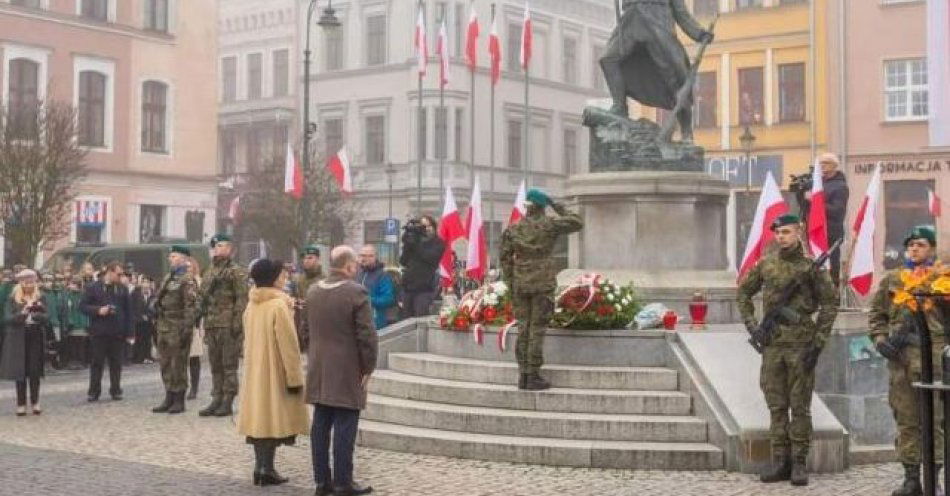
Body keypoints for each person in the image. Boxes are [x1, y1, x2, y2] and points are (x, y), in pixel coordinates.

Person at [737, 214, 839, 487]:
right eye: (778, 233)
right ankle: (780, 460)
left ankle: (799, 463)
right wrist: (751, 324)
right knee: (776, 405)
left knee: (800, 406)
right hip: (772, 345)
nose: (781, 237)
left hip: (801, 345)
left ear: (799, 233)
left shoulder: (812, 269)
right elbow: (743, 292)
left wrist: (818, 342)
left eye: (786, 232)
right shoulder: (766, 265)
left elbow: (830, 304)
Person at [871, 226, 944, 496]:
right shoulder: (893, 279)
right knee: (906, 420)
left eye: (921, 244)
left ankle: (933, 477)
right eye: (911, 245)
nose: (914, 249)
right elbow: (877, 314)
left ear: (932, 249)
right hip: (900, 363)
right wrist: (880, 340)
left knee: (935, 420)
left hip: (932, 360)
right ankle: (911, 478)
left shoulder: (942, 280)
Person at [307, 246, 378, 496]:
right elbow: (367, 335)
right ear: (348, 266)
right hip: (347, 367)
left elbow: (305, 330)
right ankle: (343, 482)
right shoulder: (355, 292)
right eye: (354, 264)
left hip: (318, 366)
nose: (357, 268)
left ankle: (321, 481)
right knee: (345, 426)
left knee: (320, 424)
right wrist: (368, 366)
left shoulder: (313, 290)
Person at [500, 189, 583, 391]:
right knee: (537, 329)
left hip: (521, 283)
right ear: (541, 207)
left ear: (527, 207)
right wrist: (556, 204)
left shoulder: (513, 229)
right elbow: (577, 221)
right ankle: (533, 375)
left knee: (523, 328)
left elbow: (505, 260)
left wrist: (512, 282)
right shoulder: (550, 225)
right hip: (542, 282)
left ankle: (523, 375)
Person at [237, 258, 308, 487]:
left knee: (260, 418)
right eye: (281, 274)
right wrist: (295, 377)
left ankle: (260, 467)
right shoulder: (278, 305)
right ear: (274, 277)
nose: (285, 278)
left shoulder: (252, 303)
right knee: (273, 419)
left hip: (255, 369)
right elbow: (288, 345)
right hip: (275, 370)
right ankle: (267, 469)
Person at [599, 0, 714, 141]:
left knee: (675, 80)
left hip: (657, 21)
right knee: (608, 59)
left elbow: (680, 11)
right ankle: (620, 106)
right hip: (631, 19)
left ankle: (686, 132)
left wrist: (699, 33)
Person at [198, 234, 248, 417]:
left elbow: (242, 299)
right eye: (217, 246)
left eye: (223, 246)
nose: (220, 249)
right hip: (211, 324)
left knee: (228, 365)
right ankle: (216, 397)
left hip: (228, 325)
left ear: (230, 248)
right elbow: (203, 297)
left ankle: (228, 399)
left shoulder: (236, 271)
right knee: (215, 365)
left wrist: (237, 324)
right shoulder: (209, 271)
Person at [152, 246, 198, 415]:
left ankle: (179, 398)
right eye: (170, 256)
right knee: (165, 363)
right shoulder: (168, 278)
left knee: (178, 364)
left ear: (184, 259)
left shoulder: (187, 279)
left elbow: (190, 306)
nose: (169, 259)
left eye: (173, 256)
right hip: (164, 325)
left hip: (178, 326)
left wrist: (187, 328)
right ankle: (168, 396)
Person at [0, 270, 51, 416]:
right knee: (20, 371)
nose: (29, 285)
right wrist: (22, 313)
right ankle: (21, 404)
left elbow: (47, 316)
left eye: (31, 282)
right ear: (20, 283)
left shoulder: (41, 297)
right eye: (25, 282)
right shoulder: (12, 299)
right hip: (18, 336)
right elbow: (7, 318)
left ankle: (35, 402)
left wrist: (35, 313)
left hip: (35, 334)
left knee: (34, 370)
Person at [80, 261, 132, 402]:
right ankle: (94, 391)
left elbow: (128, 311)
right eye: (118, 273)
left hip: (117, 332)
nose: (120, 277)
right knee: (97, 363)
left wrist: (130, 333)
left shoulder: (122, 289)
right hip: (99, 332)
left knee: (116, 363)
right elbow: (83, 306)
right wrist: (98, 310)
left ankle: (116, 390)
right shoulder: (93, 287)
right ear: (109, 272)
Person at [399, 215, 445, 318]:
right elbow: (403, 261)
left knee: (420, 319)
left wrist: (416, 244)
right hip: (408, 288)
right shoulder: (414, 241)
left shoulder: (438, 243)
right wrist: (407, 244)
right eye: (422, 226)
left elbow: (429, 258)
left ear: (434, 227)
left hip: (424, 289)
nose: (425, 229)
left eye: (428, 226)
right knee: (405, 321)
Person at [356, 245, 397, 331]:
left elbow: (388, 299)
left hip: (375, 322)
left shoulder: (382, 276)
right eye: (362, 255)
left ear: (374, 257)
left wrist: (368, 300)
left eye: (368, 256)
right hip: (358, 321)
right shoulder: (358, 274)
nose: (364, 258)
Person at [293, 245, 324, 349]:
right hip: (302, 326)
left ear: (318, 259)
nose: (306, 260)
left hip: (318, 327)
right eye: (305, 258)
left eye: (310, 258)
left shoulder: (324, 280)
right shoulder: (299, 280)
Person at [186, 257, 205, 401]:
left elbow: (203, 303)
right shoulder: (177, 282)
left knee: (194, 358)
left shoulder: (199, 283)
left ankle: (194, 388)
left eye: (190, 267)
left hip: (194, 324)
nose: (187, 270)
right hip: (179, 324)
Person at [63, 276, 90, 369]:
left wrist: (87, 322)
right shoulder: (68, 295)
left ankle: (82, 361)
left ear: (77, 285)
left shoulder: (83, 295)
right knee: (72, 343)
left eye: (72, 284)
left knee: (81, 344)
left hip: (81, 322)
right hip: (72, 323)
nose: (70, 286)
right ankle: (73, 361)